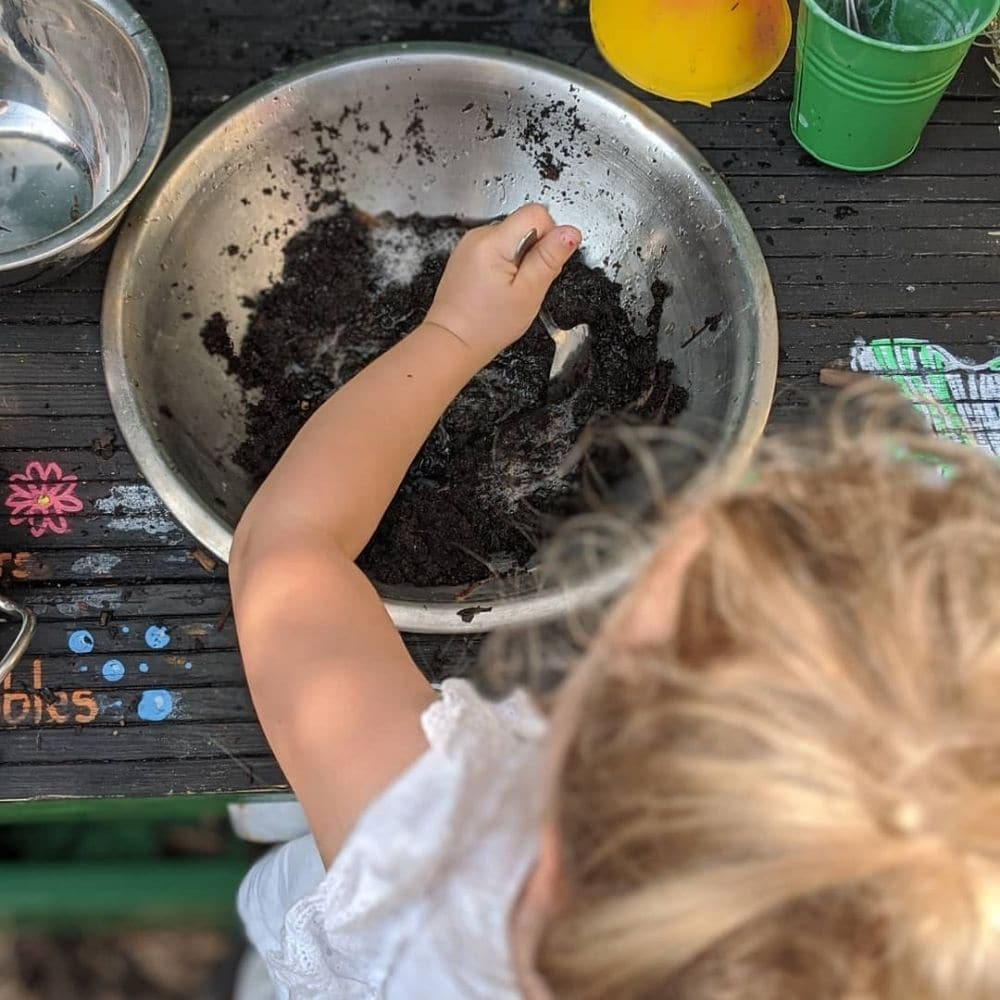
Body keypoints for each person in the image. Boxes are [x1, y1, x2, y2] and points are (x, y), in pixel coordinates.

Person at [230, 203, 1000, 999]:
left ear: (555, 835)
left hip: (350, 918)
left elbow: (284, 551)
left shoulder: (432, 864)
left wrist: (454, 335)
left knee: (297, 885)